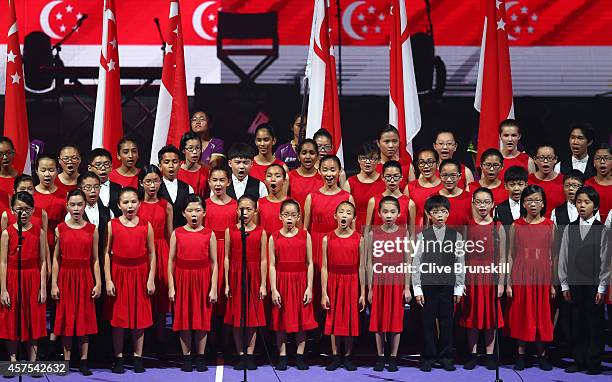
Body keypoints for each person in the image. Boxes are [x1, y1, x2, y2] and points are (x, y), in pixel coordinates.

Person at [558, 186, 609, 375]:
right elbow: (563, 257)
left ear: (595, 206)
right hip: (574, 283)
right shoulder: (569, 228)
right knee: (577, 322)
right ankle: (579, 361)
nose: (582, 205)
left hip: (594, 284)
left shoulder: (602, 229)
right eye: (579, 202)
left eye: (586, 202)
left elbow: (605, 260)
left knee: (594, 324)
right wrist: (564, 284)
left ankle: (594, 363)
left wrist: (602, 288)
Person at [104, 187, 156, 373]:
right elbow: (106, 255)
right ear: (119, 205)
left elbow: (151, 253)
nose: (130, 205)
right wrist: (109, 280)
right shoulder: (112, 224)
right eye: (125, 202)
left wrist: (151, 278)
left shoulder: (145, 225)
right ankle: (118, 358)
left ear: (139, 204)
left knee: (139, 318)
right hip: (119, 273)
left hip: (140, 273)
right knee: (119, 318)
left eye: (133, 201)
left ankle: (137, 357)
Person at [412, 195, 465, 372]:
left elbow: (460, 262)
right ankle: (427, 357)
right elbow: (416, 263)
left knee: (447, 323)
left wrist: (458, 287)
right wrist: (417, 288)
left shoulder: (456, 236)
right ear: (429, 214)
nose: (440, 215)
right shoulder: (422, 236)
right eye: (435, 212)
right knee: (427, 322)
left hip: (448, 285)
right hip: (428, 285)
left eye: (443, 211)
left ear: (448, 214)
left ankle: (446, 356)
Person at [505, 185, 555, 371]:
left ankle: (542, 355)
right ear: (523, 203)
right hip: (521, 273)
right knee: (521, 314)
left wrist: (552, 284)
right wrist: (509, 282)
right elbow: (510, 255)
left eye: (537, 201)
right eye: (529, 201)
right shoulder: (516, 225)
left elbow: (552, 255)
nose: (533, 204)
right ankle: (520, 355)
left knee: (541, 314)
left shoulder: (550, 225)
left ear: (543, 203)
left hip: (542, 275)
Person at [51, 189, 101, 375]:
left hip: (85, 277)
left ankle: (84, 361)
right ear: (67, 206)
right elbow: (56, 258)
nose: (76, 208)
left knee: (84, 320)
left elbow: (95, 259)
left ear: (85, 206)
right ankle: (65, 361)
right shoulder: (60, 229)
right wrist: (54, 284)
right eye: (73, 205)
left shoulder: (92, 230)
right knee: (66, 319)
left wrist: (98, 283)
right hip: (65, 277)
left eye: (80, 204)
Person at [168, 194, 218, 373]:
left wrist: (213, 287)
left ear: (204, 212)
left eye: (198, 210)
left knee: (201, 320)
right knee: (184, 320)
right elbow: (171, 261)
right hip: (182, 279)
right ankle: (187, 356)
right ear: (183, 213)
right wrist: (172, 286)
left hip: (202, 279)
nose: (194, 214)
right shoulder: (177, 233)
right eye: (190, 211)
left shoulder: (209, 233)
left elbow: (214, 262)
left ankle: (201, 356)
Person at [459, 188, 506, 370]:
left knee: (490, 317)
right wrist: (461, 280)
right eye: (478, 202)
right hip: (472, 275)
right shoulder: (468, 225)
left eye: (486, 202)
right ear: (473, 203)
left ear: (493, 204)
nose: (482, 206)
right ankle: (472, 354)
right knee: (472, 316)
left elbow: (502, 257)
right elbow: (461, 255)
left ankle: (489, 355)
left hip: (491, 275)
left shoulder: (498, 226)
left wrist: (501, 282)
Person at [268, 199, 317, 371]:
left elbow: (310, 262)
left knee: (301, 319)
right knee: (281, 320)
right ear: (280, 216)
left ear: (299, 217)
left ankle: (300, 355)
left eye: (293, 215)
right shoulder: (274, 236)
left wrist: (309, 287)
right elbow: (272, 265)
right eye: (286, 215)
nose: (289, 218)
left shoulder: (305, 235)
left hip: (300, 281)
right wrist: (274, 289)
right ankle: (282, 355)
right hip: (282, 281)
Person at [303, 155, 353, 316]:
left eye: (333, 170)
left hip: (339, 246)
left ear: (339, 171)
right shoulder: (312, 197)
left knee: (336, 287)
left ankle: (336, 327)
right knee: (317, 285)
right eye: (325, 170)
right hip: (317, 245)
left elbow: (352, 232)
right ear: (319, 171)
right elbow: (305, 229)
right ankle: (317, 330)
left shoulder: (347, 197)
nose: (329, 174)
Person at [0, 192, 47, 363]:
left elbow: (42, 261)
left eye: (27, 210)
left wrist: (42, 287)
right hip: (12, 277)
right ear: (12, 211)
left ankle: (33, 361)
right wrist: (3, 289)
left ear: (33, 210)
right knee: (11, 318)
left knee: (33, 319)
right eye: (19, 210)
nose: (23, 213)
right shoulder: (6, 233)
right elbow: (3, 262)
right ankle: (12, 361)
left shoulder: (39, 232)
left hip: (32, 277)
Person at [367, 196, 411, 372]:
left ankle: (393, 357)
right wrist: (370, 288)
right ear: (379, 213)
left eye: (393, 211)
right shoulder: (373, 233)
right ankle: (380, 356)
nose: (389, 215)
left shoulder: (404, 233)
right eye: (385, 211)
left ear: (399, 213)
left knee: (395, 319)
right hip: (379, 280)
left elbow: (408, 261)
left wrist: (407, 287)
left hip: (397, 280)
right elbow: (369, 262)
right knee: (378, 320)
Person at [321, 201, 366, 372]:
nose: (344, 215)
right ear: (335, 216)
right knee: (333, 318)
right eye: (341, 212)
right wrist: (324, 292)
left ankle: (347, 356)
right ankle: (334, 355)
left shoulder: (359, 239)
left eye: (348, 213)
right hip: (334, 280)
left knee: (349, 319)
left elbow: (362, 267)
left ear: (354, 218)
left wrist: (362, 292)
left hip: (352, 281)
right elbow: (324, 267)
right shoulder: (327, 238)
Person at [224, 195, 267, 371]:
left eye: (249, 209)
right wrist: (226, 283)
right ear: (236, 211)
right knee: (237, 316)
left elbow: (264, 259)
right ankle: (240, 354)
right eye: (242, 209)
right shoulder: (230, 231)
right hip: (235, 274)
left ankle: (250, 354)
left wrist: (263, 284)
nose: (245, 212)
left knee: (252, 317)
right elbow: (226, 257)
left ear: (255, 211)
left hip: (254, 275)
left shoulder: (260, 232)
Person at [137, 165, 173, 357]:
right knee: (143, 300)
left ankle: (160, 343)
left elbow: (169, 236)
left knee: (159, 303)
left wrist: (169, 262)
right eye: (148, 181)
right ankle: (142, 344)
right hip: (141, 253)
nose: (152, 185)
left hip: (161, 252)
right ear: (141, 183)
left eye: (156, 181)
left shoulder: (166, 205)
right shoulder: (136, 205)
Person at [204, 166, 237, 317]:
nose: (218, 184)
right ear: (209, 182)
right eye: (214, 180)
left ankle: (226, 337)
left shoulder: (236, 206)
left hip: (229, 252)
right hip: (208, 251)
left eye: (222, 180)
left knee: (227, 291)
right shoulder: (204, 205)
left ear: (229, 182)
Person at [365, 161, 416, 240]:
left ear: (401, 177)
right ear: (383, 177)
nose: (392, 180)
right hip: (378, 248)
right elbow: (367, 231)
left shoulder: (409, 203)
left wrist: (410, 251)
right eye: (388, 176)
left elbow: (412, 233)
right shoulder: (373, 201)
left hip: (399, 248)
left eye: (396, 176)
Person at [344, 142, 386, 233]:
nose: (367, 162)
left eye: (372, 158)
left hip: (380, 228)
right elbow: (345, 211)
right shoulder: (350, 183)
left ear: (379, 160)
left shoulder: (385, 182)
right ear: (358, 159)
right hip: (357, 228)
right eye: (363, 158)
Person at [34, 154, 65, 271]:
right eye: (43, 170)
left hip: (57, 245)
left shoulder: (64, 196)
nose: (47, 174)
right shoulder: (30, 195)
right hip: (34, 244)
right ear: (36, 171)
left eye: (51, 170)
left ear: (57, 171)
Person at [157, 145, 193, 229]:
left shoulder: (188, 189)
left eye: (174, 161)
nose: (171, 165)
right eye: (166, 162)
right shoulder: (155, 189)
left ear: (180, 164)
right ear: (160, 166)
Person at [408, 148, 443, 230]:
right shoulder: (410, 187)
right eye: (422, 163)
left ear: (437, 164)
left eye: (430, 162)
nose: (426, 166)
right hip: (417, 234)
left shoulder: (445, 186)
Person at [528, 143, 565, 217]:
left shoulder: (564, 181)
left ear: (555, 160)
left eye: (549, 158)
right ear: (535, 160)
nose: (545, 161)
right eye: (541, 158)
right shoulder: (527, 181)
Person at [287, 139, 322, 211]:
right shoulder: (289, 176)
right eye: (304, 153)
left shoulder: (323, 177)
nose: (308, 156)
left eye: (312, 153)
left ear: (317, 156)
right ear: (298, 157)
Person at [437, 158, 472, 227]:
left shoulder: (469, 198)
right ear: (440, 176)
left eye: (453, 176)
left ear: (459, 176)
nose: (449, 180)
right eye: (445, 175)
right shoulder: (433, 198)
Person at [87, 148, 121, 217]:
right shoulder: (84, 189)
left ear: (111, 167)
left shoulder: (119, 188)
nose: (103, 168)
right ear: (90, 168)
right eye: (98, 165)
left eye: (106, 164)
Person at [178, 132, 210, 198]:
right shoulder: (176, 170)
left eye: (197, 148)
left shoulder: (206, 171)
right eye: (190, 148)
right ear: (183, 150)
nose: (195, 152)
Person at [258, 164, 288, 235]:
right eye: (269, 176)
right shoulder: (259, 204)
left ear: (284, 180)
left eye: (277, 176)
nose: (273, 179)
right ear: (265, 181)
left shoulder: (292, 204)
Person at [585, 143, 611, 224]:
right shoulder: (588, 184)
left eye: (606, 158)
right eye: (598, 158)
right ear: (593, 162)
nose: (602, 161)